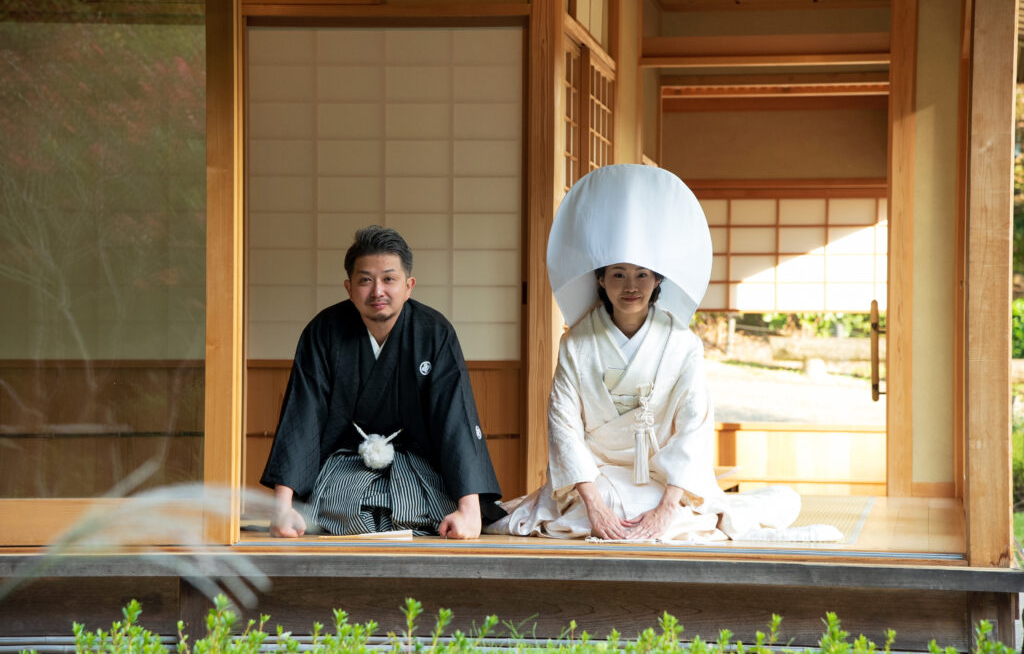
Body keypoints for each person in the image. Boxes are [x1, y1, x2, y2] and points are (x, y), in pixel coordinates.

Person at [486, 165, 839, 542]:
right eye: (618, 274)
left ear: (658, 280)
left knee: (773, 500)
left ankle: (682, 517)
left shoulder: (682, 344)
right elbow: (564, 429)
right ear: (600, 280)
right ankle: (698, 524)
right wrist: (594, 503)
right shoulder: (576, 344)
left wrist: (669, 504)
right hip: (598, 479)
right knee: (608, 508)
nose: (631, 286)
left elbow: (694, 428)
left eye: (642, 274)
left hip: (662, 479)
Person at [260, 225, 505, 539]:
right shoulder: (323, 333)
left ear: (409, 285)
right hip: (343, 463)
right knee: (344, 515)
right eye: (366, 280)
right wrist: (282, 505)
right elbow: (302, 414)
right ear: (349, 287)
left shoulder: (434, 332)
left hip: (417, 464)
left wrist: (469, 510)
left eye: (389, 279)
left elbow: (455, 416)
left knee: (419, 514)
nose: (377, 291)